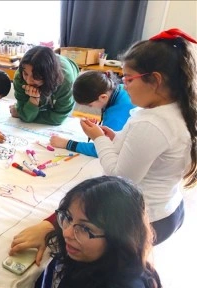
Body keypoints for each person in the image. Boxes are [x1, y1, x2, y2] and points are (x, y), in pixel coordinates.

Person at [80, 28, 197, 244]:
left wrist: (99, 138)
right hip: (168, 207)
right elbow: (152, 153)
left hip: (148, 219)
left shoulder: (152, 123)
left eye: (129, 78)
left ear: (155, 80)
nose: (124, 85)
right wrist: (115, 138)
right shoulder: (174, 109)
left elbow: (120, 178)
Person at [0, 176, 162, 288]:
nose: (67, 233)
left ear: (119, 238)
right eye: (67, 218)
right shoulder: (89, 255)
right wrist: (48, 228)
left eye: (85, 228)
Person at [50, 70, 136, 157]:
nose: (91, 109)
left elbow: (103, 148)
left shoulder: (116, 115)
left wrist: (66, 143)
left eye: (90, 106)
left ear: (103, 97)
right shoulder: (118, 90)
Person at [9, 46, 79, 125]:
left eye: (35, 76)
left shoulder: (66, 81)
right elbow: (25, 114)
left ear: (47, 76)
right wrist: (34, 100)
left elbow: (59, 117)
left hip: (66, 72)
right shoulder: (20, 77)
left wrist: (24, 114)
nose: (28, 81)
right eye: (26, 74)